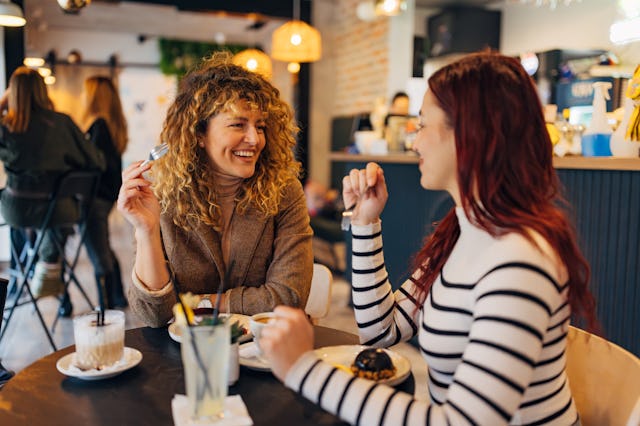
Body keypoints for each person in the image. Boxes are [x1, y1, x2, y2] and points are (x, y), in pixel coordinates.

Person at [260, 51, 597, 425]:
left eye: (421, 126)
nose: (414, 142)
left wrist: (303, 370)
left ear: (469, 135)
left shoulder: (521, 261)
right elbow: (380, 329)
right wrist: (366, 223)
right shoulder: (464, 230)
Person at [117, 52, 313, 328]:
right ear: (199, 134)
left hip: (264, 353)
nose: (255, 139)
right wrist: (146, 230)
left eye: (260, 126)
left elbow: (288, 298)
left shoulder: (283, 191)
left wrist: (200, 304)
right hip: (185, 355)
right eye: (238, 124)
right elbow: (154, 315)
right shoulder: (164, 194)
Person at [0, 67, 105, 315]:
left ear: (13, 93)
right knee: (50, 219)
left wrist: (4, 100)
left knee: (22, 218)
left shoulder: (7, 125)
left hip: (18, 211)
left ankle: (25, 272)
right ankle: (49, 268)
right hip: (57, 212)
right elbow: (97, 162)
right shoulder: (61, 123)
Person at [80, 76, 128, 309]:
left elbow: (96, 165)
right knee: (104, 246)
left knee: (98, 253)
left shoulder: (98, 126)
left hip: (94, 197)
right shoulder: (112, 125)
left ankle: (106, 311)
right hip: (106, 197)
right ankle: (117, 297)